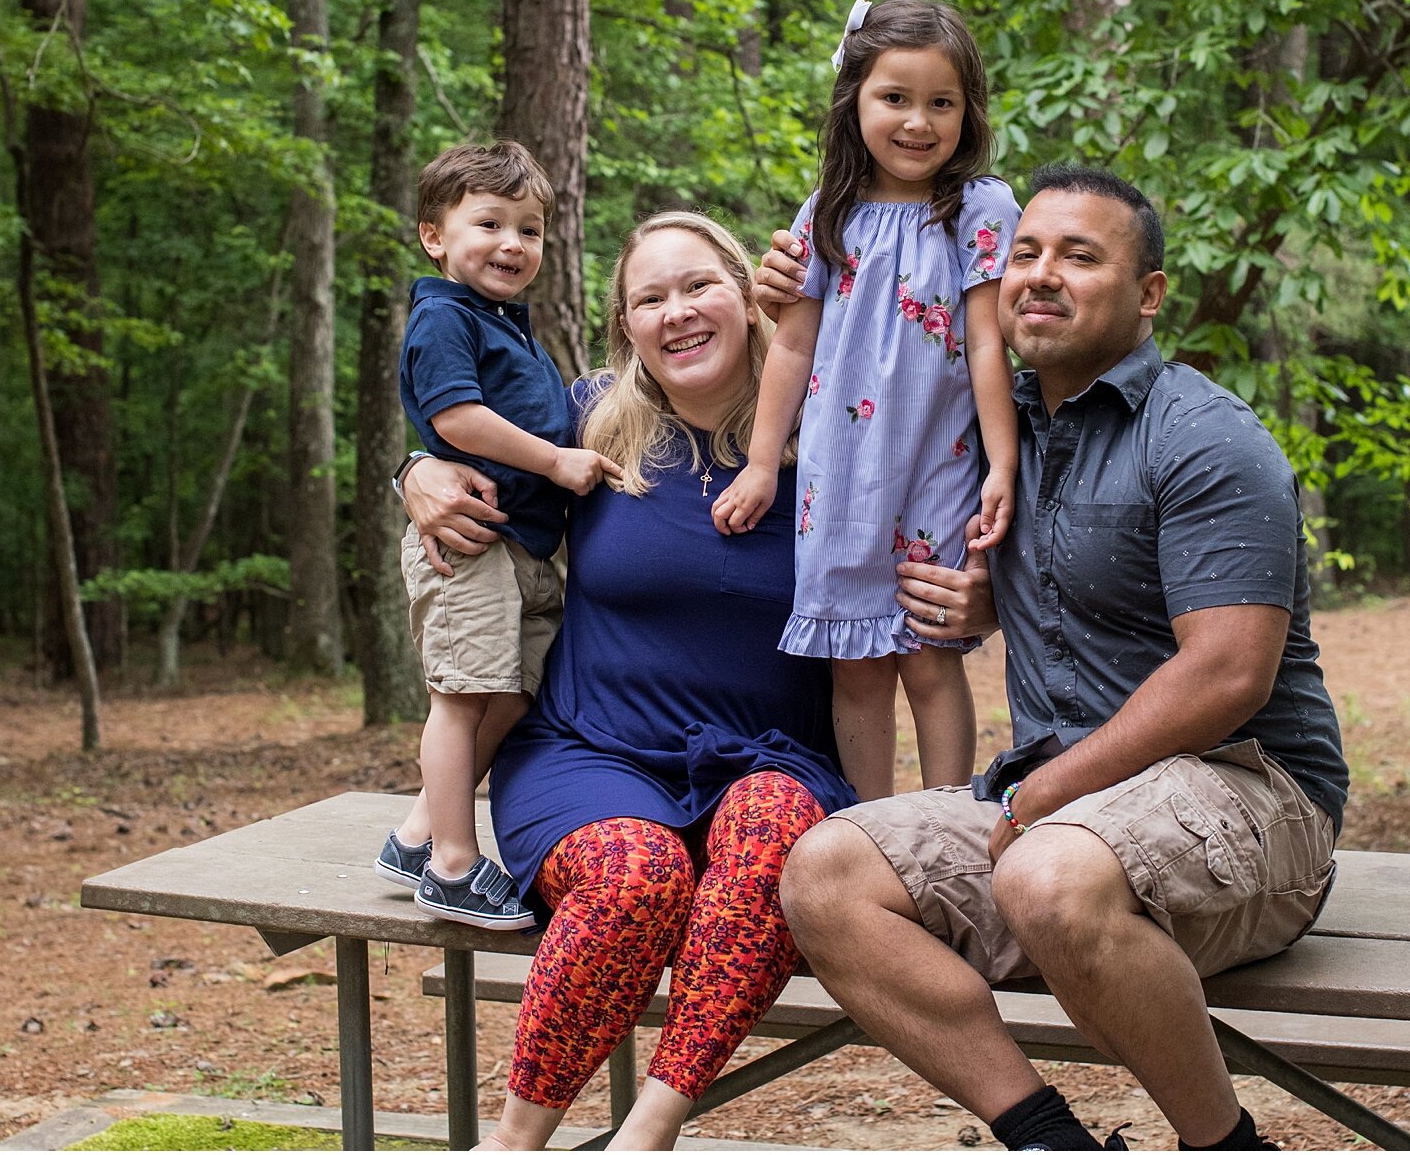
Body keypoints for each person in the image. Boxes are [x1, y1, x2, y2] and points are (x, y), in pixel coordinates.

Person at [769, 164, 1350, 1152]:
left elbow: (1226, 673)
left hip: (1252, 792)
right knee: (825, 871)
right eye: (1025, 253)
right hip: (1065, 809)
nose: (1040, 275)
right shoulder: (997, 439)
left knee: (1044, 876)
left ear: (1149, 295)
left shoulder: (1206, 438)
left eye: (1080, 257)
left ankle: (1227, 1146)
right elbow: (826, 380)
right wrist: (775, 292)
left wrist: (1037, 798)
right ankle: (1048, 1139)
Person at [401, 211, 985, 1150]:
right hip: (591, 752)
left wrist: (979, 594)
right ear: (626, 325)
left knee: (766, 841)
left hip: (778, 758)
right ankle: (512, 1142)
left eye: (698, 285)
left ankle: (650, 1131)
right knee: (636, 879)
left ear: (749, 296)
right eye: (649, 298)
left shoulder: (838, 434)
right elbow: (461, 439)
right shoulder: (588, 422)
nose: (677, 312)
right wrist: (414, 470)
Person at [712, 0, 1022, 802]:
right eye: (896, 98)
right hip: (837, 476)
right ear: (855, 100)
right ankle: (872, 832)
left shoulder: (980, 209)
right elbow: (791, 343)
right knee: (856, 670)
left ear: (968, 113)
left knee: (928, 655)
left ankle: (947, 823)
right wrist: (760, 467)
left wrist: (1004, 461)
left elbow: (989, 342)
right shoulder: (828, 213)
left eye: (941, 103)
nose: (918, 122)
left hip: (935, 465)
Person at [379, 140, 620, 931]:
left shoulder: (508, 327)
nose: (514, 244)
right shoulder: (444, 316)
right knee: (462, 696)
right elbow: (456, 418)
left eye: (531, 229)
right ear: (434, 236)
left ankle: (417, 833)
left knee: (514, 692)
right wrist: (556, 461)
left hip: (521, 548)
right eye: (489, 223)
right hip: (475, 542)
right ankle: (452, 864)